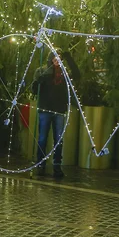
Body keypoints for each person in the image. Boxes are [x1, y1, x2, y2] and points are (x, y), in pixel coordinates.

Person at [31, 50, 80, 178]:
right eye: (55, 57)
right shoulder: (42, 71)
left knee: (58, 140)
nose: (57, 60)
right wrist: (39, 81)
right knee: (42, 139)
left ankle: (57, 167)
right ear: (51, 58)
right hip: (45, 110)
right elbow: (34, 90)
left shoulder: (64, 74)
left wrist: (69, 57)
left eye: (60, 58)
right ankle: (41, 165)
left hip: (59, 111)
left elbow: (77, 75)